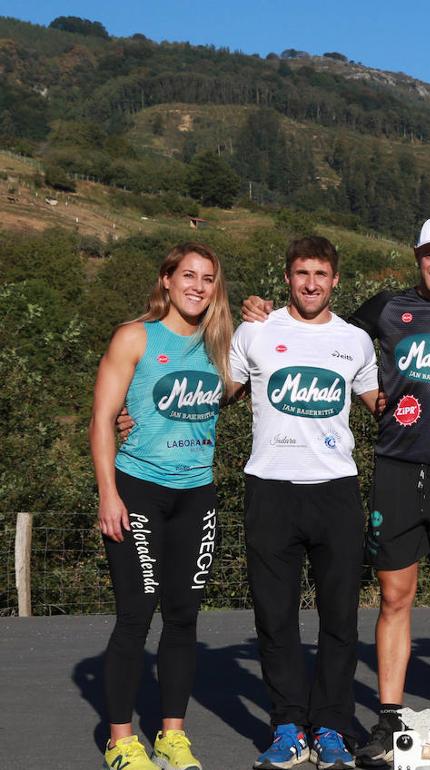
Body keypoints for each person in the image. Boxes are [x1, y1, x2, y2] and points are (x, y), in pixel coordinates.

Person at [243, 216, 430, 768]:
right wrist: (261, 313)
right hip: (395, 468)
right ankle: (388, 718)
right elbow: (321, 338)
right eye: (428, 255)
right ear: (417, 256)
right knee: (393, 598)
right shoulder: (383, 308)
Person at [233, 237, 380, 770]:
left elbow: (381, 408)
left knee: (340, 620)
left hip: (336, 490)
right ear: (287, 277)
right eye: (302, 273)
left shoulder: (356, 341)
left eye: (321, 273)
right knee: (276, 619)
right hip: (269, 488)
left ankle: (333, 729)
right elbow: (216, 392)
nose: (311, 283)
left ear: (336, 280)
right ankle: (289, 726)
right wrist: (136, 411)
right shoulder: (255, 330)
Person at [90, 243, 233, 770]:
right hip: (138, 491)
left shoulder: (222, 344)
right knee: (136, 615)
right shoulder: (135, 337)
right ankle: (122, 740)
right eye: (188, 275)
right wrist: (109, 493)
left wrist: (263, 313)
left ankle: (172, 735)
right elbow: (102, 419)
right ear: (167, 281)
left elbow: (242, 383)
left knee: (183, 616)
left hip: (197, 493)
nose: (198, 285)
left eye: (209, 278)